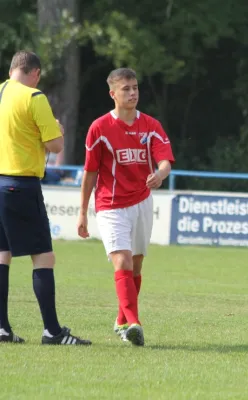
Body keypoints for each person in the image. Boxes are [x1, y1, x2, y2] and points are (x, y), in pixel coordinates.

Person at [77, 68, 175, 346]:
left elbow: (165, 160)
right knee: (122, 260)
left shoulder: (151, 125)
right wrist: (83, 212)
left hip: (142, 201)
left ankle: (121, 320)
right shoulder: (99, 128)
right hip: (110, 205)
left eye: (135, 88)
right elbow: (90, 172)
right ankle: (134, 322)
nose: (132, 93)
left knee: (136, 266)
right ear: (113, 94)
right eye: (126, 89)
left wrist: (160, 174)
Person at [0, 50, 91, 345]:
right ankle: (52, 331)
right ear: (35, 73)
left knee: (2, 255)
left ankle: (1, 328)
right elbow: (55, 144)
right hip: (21, 184)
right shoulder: (33, 97)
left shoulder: (0, 91)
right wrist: (55, 130)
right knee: (43, 256)